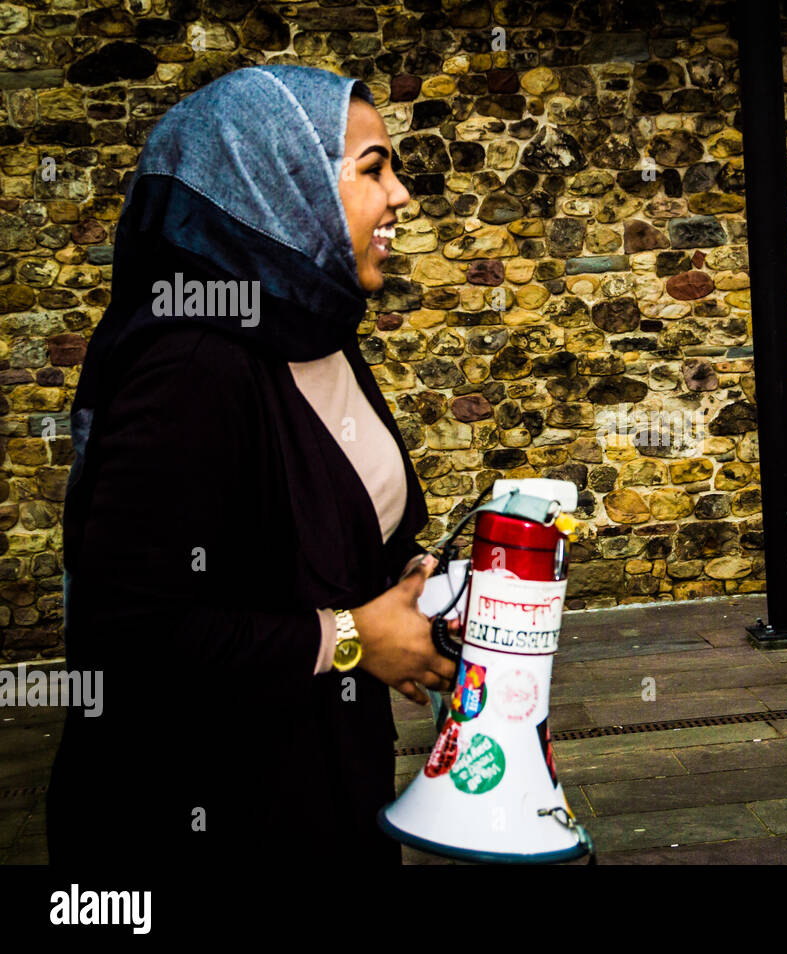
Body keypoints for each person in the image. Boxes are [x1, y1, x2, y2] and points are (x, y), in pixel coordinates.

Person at [48, 65, 458, 864]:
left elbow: (335, 533)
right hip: (215, 811)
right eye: (374, 169)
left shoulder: (315, 325)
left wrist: (421, 588)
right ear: (280, 179)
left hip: (334, 774)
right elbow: (129, 635)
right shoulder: (194, 363)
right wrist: (349, 638)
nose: (401, 195)